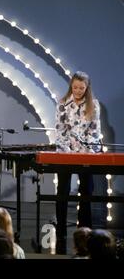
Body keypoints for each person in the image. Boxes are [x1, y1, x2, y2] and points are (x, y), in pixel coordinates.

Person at [54, 71, 101, 253]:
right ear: (71, 86)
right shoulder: (62, 104)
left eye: (81, 88)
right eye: (75, 87)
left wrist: (84, 151)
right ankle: (61, 229)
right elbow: (60, 131)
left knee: (86, 190)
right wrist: (68, 151)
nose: (78, 91)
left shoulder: (94, 105)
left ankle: (84, 229)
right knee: (63, 190)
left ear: (87, 88)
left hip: (86, 153)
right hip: (66, 152)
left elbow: (95, 132)